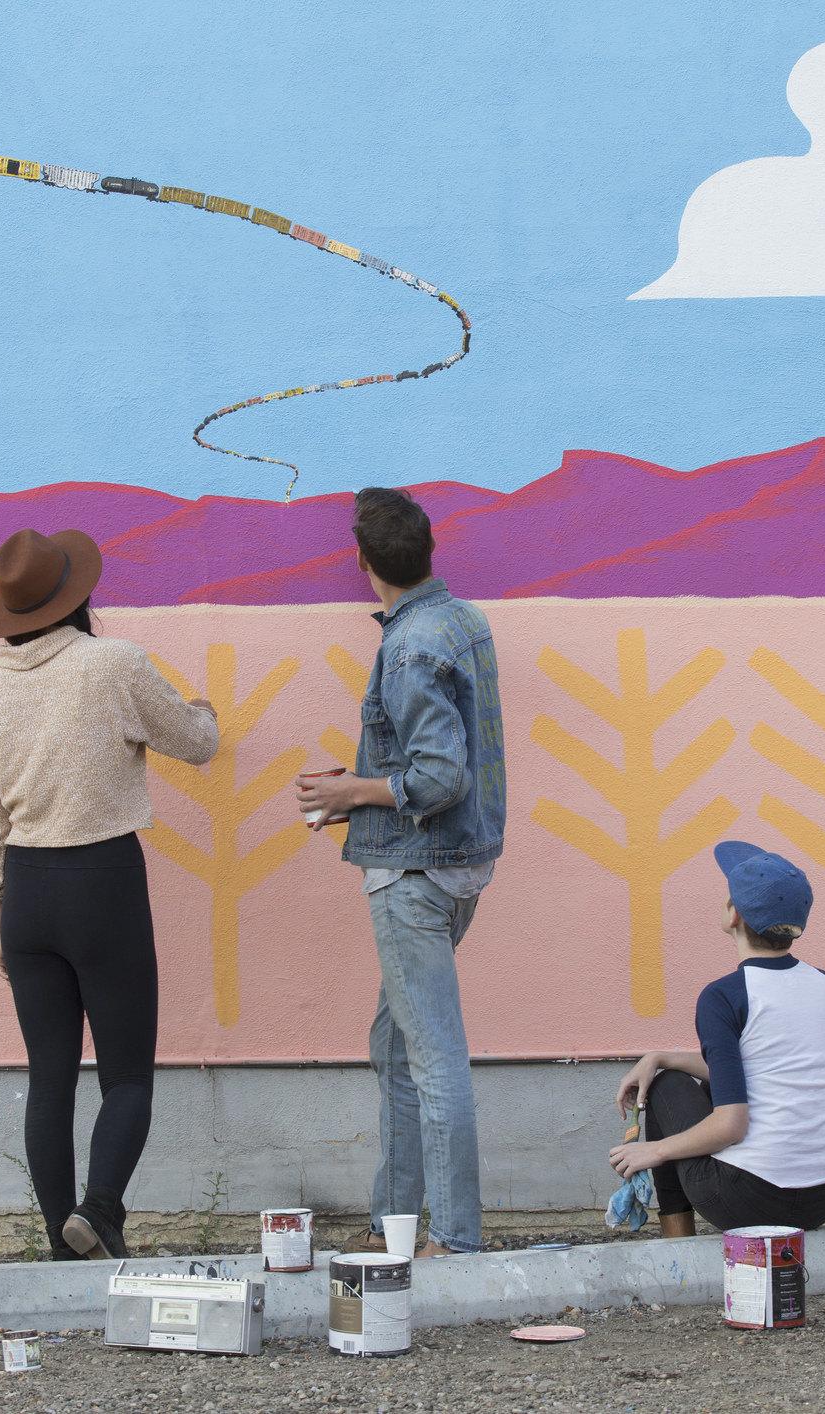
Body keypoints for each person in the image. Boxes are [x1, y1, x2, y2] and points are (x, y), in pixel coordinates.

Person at [0, 527, 219, 1261]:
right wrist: (200, 711)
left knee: (49, 1080)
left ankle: (59, 1244)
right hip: (102, 880)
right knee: (127, 1074)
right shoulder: (112, 665)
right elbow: (196, 743)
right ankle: (100, 1213)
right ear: (76, 598)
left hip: (26, 895)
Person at [294, 488, 506, 1258]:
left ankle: (450, 1240)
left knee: (431, 1058)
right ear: (427, 550)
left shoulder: (412, 646)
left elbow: (438, 776)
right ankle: (395, 1225)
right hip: (452, 866)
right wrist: (359, 805)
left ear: (362, 565)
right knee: (395, 1044)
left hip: (413, 878)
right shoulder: (461, 621)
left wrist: (352, 789)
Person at [607, 843, 825, 1234]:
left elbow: (731, 1126)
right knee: (670, 1072)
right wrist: (661, 1056)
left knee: (667, 1087)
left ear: (733, 914)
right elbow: (761, 1066)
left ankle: (678, 1244)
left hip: (749, 1200)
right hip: (821, 1200)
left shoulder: (724, 996)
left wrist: (652, 1152)